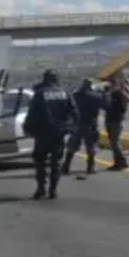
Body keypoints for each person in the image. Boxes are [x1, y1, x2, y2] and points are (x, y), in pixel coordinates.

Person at [22, 69, 78, 200]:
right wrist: (71, 129)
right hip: (59, 133)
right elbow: (74, 112)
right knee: (56, 163)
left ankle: (41, 188)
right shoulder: (65, 93)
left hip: (43, 133)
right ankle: (53, 190)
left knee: (40, 161)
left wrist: (28, 128)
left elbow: (32, 113)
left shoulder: (40, 93)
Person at [62, 78, 106, 175]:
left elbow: (68, 108)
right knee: (91, 147)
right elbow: (105, 105)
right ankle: (90, 168)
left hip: (77, 124)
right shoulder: (95, 96)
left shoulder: (75, 95)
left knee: (72, 147)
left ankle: (65, 167)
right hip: (90, 124)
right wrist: (104, 94)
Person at [105, 75, 129, 171]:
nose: (111, 86)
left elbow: (123, 109)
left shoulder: (120, 95)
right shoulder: (109, 95)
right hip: (110, 120)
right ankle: (119, 162)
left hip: (116, 121)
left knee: (115, 143)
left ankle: (121, 163)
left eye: (112, 85)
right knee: (113, 143)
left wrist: (112, 106)